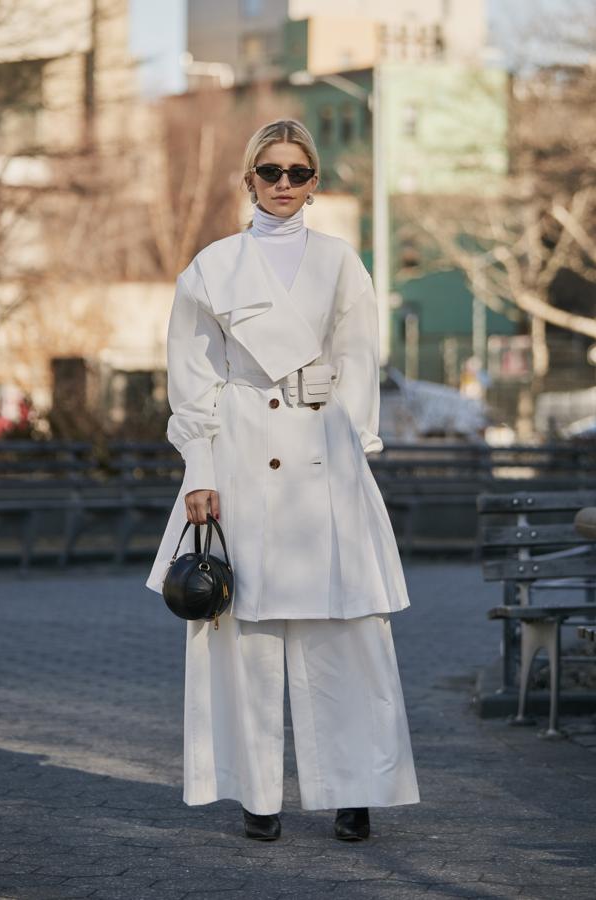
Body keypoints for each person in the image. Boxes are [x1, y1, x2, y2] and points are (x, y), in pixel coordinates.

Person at [146, 119, 420, 841]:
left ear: (316, 181)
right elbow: (192, 378)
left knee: (346, 633)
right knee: (248, 635)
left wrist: (353, 442)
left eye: (299, 172)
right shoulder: (212, 267)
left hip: (325, 461)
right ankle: (256, 793)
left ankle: (355, 789)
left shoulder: (341, 262)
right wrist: (199, 471)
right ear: (249, 179)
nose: (285, 185)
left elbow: (360, 362)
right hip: (240, 457)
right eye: (272, 171)